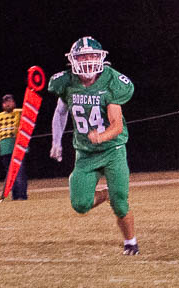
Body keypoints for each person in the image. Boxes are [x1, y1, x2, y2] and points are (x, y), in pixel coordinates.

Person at [49, 37, 139, 255]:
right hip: (85, 153)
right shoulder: (67, 83)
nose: (88, 61)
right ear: (73, 60)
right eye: (82, 56)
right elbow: (60, 113)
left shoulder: (111, 81)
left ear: (101, 58)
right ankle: (105, 194)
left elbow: (117, 125)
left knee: (120, 203)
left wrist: (101, 136)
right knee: (80, 204)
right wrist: (56, 141)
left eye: (92, 56)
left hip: (112, 150)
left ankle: (130, 242)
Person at [0, 94, 27, 200]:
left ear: (14, 103)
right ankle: (15, 196)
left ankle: (21, 195)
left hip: (18, 147)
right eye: (5, 102)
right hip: (4, 149)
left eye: (10, 101)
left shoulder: (20, 112)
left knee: (19, 172)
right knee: (10, 174)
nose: (7, 104)